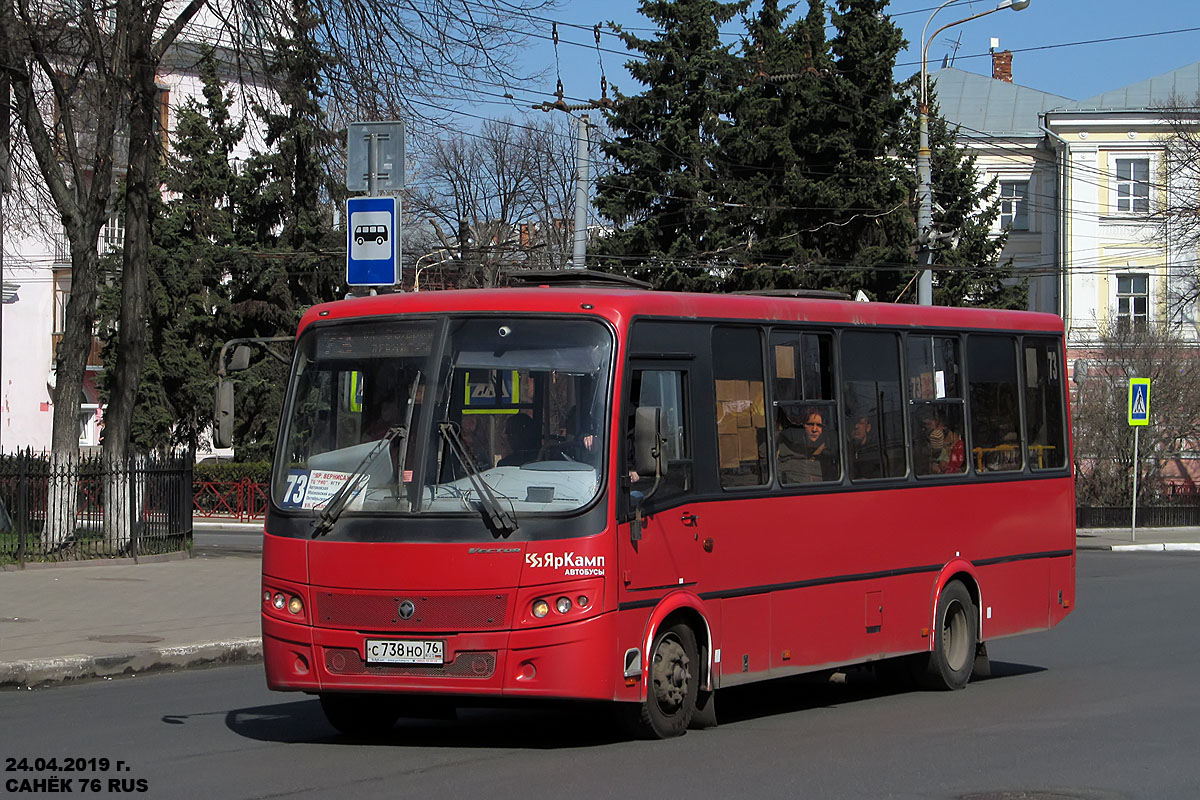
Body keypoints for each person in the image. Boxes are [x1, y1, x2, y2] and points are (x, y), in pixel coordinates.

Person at [777, 406, 835, 483]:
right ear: (803, 425)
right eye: (810, 424)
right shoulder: (788, 445)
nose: (814, 430)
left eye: (819, 425)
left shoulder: (831, 448)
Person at [847, 413, 882, 479]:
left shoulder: (875, 450)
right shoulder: (844, 451)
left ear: (868, 427)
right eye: (853, 423)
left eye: (860, 423)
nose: (856, 426)